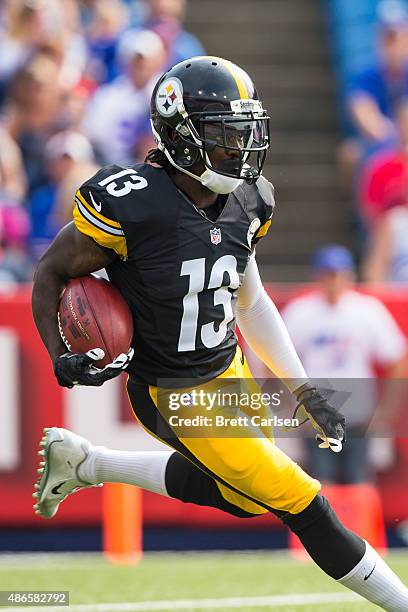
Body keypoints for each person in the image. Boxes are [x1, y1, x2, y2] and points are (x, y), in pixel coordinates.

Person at [31, 56, 408, 611]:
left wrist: (304, 389)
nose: (242, 145)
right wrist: (60, 352)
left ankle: (88, 463)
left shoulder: (248, 201)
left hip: (225, 366)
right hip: (171, 390)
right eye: (225, 133)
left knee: (244, 497)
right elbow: (51, 272)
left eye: (246, 130)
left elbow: (250, 300)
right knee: (300, 498)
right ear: (182, 136)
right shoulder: (134, 203)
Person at [282, 244, 407, 484]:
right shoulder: (301, 312)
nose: (334, 282)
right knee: (320, 486)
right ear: (318, 277)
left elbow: (397, 359)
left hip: (359, 417)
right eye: (329, 275)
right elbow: (273, 363)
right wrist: (292, 411)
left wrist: (385, 413)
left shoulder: (366, 310)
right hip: (318, 417)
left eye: (339, 274)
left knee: (360, 483)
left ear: (350, 276)